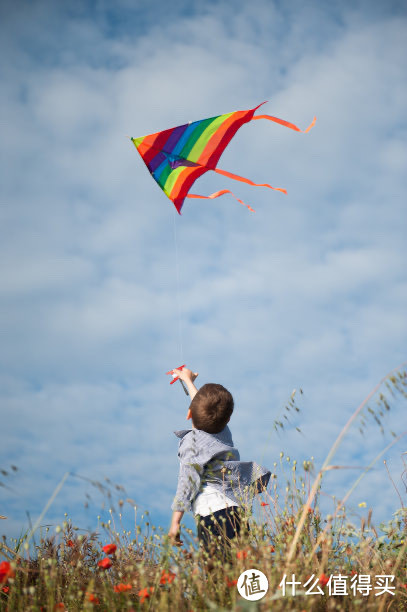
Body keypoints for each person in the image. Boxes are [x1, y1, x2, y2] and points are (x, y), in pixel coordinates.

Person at [168, 367, 271, 557]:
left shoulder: (192, 444)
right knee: (240, 568)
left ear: (190, 412)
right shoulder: (223, 433)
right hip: (236, 511)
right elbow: (202, 406)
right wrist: (188, 381)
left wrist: (175, 523)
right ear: (228, 418)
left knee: (220, 574)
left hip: (214, 516)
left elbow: (187, 483)